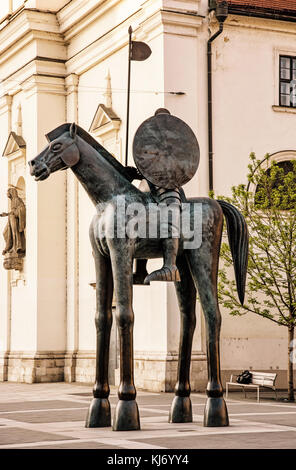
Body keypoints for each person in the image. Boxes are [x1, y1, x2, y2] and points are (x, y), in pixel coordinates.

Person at [0, 186, 26, 255]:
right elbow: (13, 211)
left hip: (15, 219)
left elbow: (22, 209)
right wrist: (6, 214)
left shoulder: (17, 199)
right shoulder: (12, 201)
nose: (7, 194)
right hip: (11, 219)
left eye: (8, 193)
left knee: (15, 233)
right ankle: (10, 246)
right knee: (5, 232)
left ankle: (17, 246)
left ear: (11, 193)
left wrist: (12, 213)